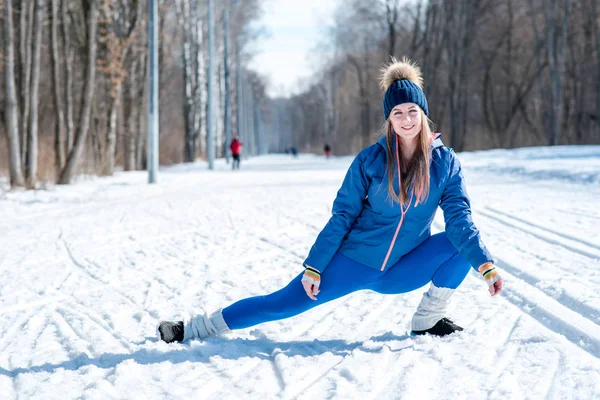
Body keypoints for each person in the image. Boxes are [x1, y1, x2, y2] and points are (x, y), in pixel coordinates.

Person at [157, 57, 504, 344]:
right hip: (354, 262)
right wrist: (315, 266)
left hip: (401, 269)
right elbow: (342, 217)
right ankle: (194, 328)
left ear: (423, 113)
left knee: (459, 246)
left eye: (412, 110)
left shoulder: (445, 163)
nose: (406, 119)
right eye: (397, 113)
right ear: (389, 119)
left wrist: (485, 265)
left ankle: (428, 319)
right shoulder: (371, 160)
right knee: (282, 303)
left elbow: (460, 220)